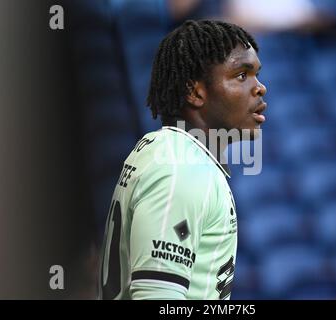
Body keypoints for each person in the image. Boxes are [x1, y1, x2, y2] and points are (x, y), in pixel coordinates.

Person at [99, 19, 267, 300]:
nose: (260, 87)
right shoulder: (181, 169)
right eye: (241, 75)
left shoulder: (171, 152)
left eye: (257, 74)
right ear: (195, 92)